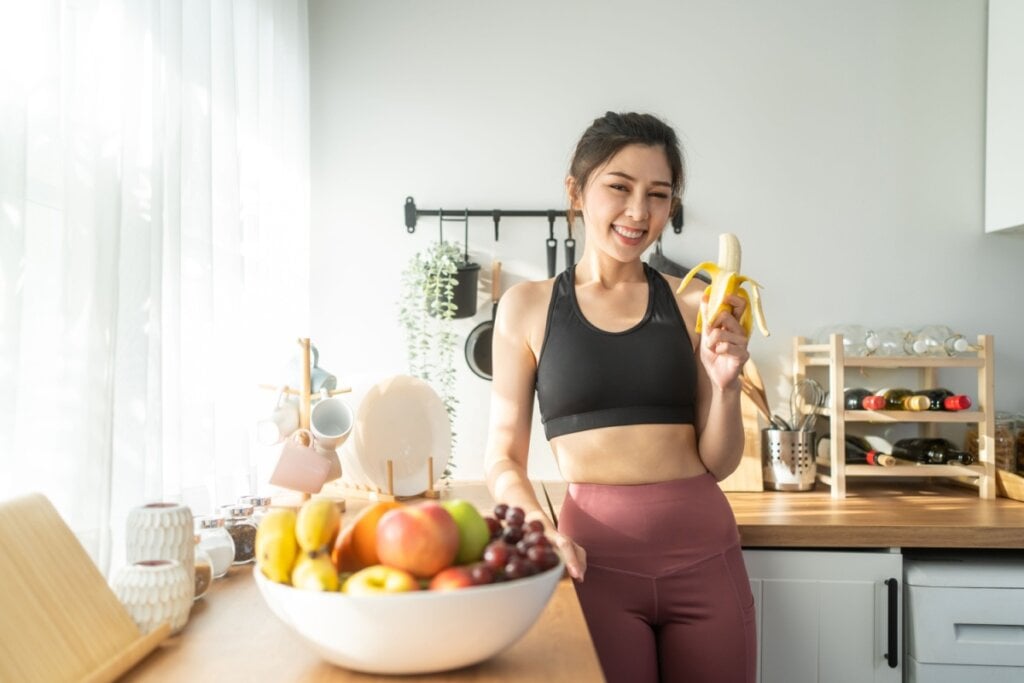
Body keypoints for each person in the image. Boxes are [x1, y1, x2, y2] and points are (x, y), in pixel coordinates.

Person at [483, 111, 757, 683]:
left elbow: (719, 462)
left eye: (658, 195)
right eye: (619, 187)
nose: (639, 212)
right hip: (592, 569)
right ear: (576, 191)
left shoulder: (694, 304)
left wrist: (726, 385)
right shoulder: (527, 308)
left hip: (707, 559)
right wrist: (539, 525)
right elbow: (503, 458)